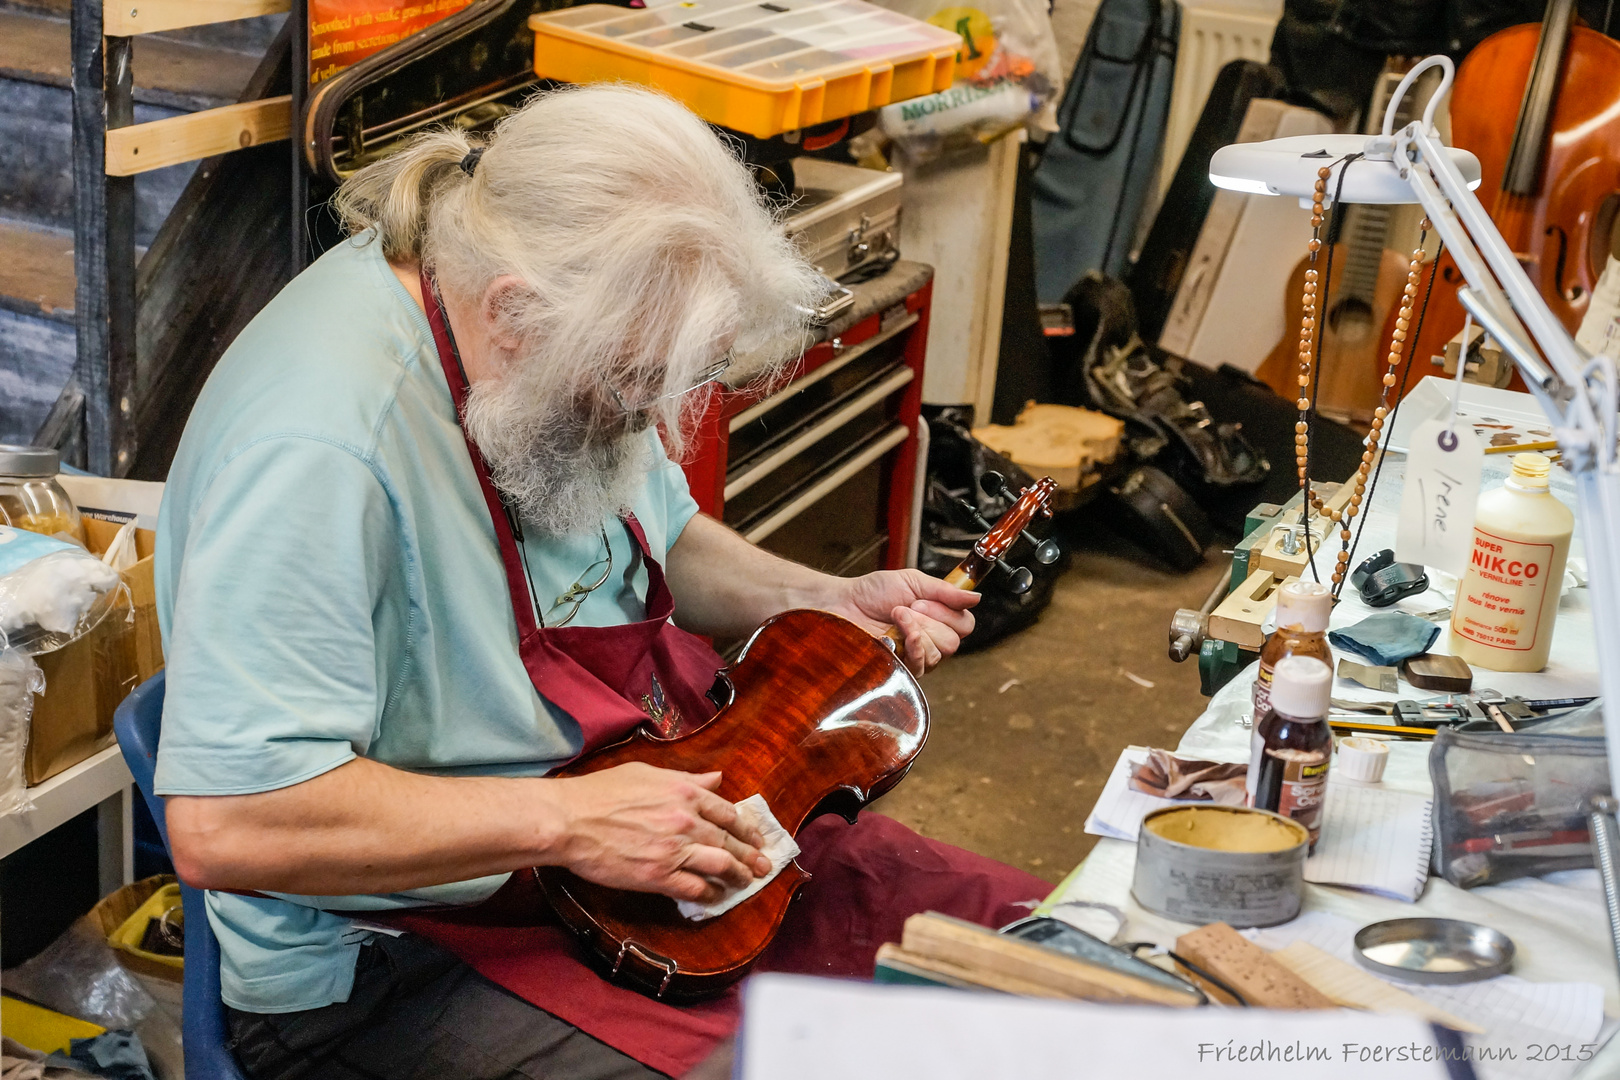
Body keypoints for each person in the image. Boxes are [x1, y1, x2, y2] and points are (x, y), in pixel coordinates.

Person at [155, 84, 1043, 1080]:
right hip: (395, 959)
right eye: (631, 389)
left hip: (634, 826)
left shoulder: (539, 318)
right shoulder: (321, 449)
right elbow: (228, 822)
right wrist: (573, 822)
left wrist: (817, 601)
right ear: (515, 315)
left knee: (1037, 949)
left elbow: (664, 536)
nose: (649, 420)